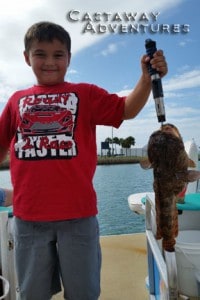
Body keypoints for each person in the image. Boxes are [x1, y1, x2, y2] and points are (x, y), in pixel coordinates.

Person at [0, 21, 168, 300]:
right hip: (28, 218)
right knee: (31, 292)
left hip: (78, 216)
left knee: (84, 293)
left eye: (58, 54)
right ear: (27, 57)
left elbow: (126, 109)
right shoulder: (16, 100)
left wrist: (146, 78)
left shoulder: (85, 93)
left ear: (69, 58)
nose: (50, 61)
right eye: (40, 54)